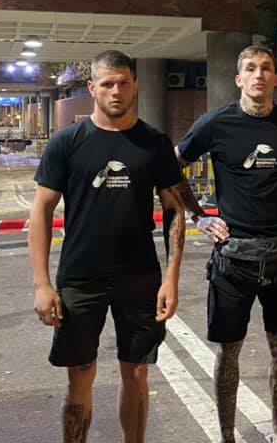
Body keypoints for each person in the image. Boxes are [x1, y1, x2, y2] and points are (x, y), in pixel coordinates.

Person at [28, 49, 196, 443]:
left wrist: (171, 278)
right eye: (107, 84)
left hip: (139, 277)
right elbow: (41, 211)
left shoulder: (154, 143)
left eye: (123, 83)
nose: (116, 91)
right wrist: (42, 283)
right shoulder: (67, 143)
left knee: (137, 373)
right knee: (80, 376)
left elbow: (174, 209)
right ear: (92, 88)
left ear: (135, 85)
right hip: (80, 277)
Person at [176, 44, 277, 443]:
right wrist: (199, 217)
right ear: (239, 79)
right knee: (228, 352)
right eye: (251, 69)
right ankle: (227, 437)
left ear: (276, 79)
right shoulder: (215, 124)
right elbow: (173, 166)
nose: (259, 74)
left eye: (266, 68)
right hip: (233, 258)